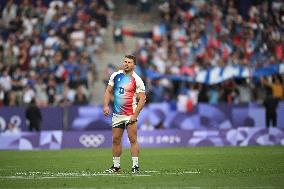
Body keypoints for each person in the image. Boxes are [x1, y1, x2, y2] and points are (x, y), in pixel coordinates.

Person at [103, 55, 146, 173]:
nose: (126, 64)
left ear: (134, 65)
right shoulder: (115, 75)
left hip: (130, 114)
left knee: (133, 139)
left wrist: (135, 115)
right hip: (117, 115)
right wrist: (106, 106)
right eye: (125, 61)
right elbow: (108, 91)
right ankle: (116, 167)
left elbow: (142, 99)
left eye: (129, 62)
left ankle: (135, 166)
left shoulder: (137, 80)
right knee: (116, 139)